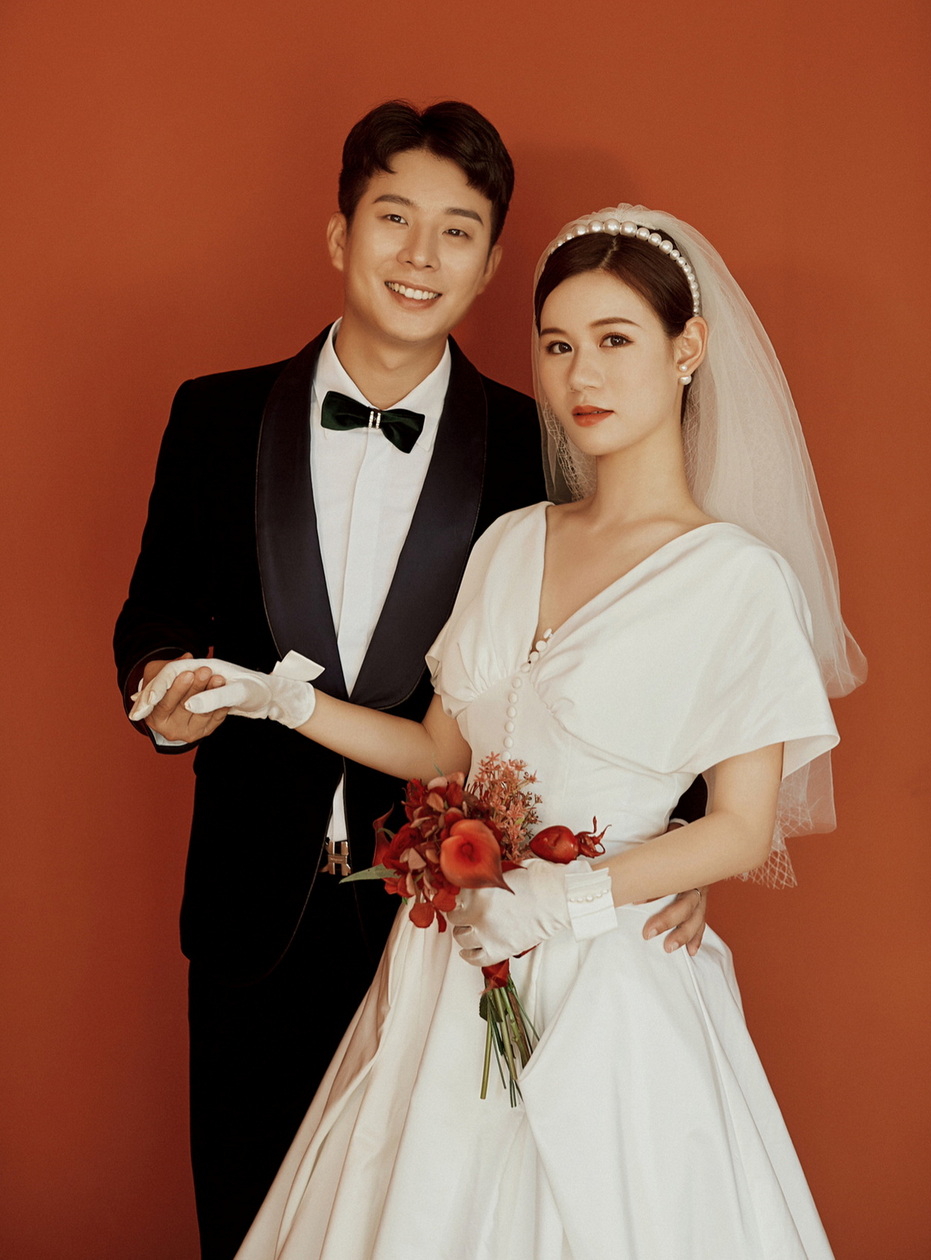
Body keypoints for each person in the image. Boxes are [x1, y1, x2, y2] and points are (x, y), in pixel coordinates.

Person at [142, 204, 866, 1258]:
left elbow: (741, 827)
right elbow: (444, 752)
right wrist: (281, 701)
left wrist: (561, 901)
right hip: (446, 964)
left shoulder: (738, 579)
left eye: (615, 340)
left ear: (688, 350)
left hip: (611, 980)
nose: (582, 375)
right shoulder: (512, 540)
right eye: (558, 345)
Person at [115, 103, 707, 1259]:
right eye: (393, 218)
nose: (419, 255)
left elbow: (616, 640)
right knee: (247, 1228)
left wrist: (682, 842)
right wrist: (163, 688)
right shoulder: (212, 416)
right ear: (341, 233)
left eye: (456, 231)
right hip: (253, 915)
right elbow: (159, 610)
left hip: (458, 924)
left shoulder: (544, 444)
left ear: (490, 263)